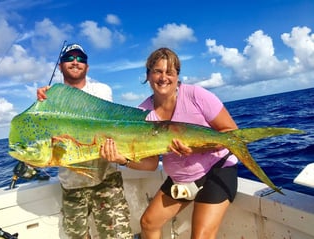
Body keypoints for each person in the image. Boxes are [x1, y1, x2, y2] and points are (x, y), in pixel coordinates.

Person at [102, 47, 239, 239]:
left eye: (170, 72)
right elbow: (150, 165)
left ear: (177, 76)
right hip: (181, 179)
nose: (163, 77)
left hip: (217, 171)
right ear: (148, 75)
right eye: (157, 71)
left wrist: (195, 148)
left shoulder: (196, 95)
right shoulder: (142, 115)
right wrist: (121, 159)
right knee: (148, 223)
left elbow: (231, 133)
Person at [37, 43, 133, 239]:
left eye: (80, 59)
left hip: (106, 179)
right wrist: (45, 102)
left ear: (87, 67)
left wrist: (56, 97)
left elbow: (98, 119)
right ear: (61, 65)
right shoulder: (48, 99)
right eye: (69, 58)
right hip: (72, 184)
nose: (75, 62)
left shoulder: (101, 90)